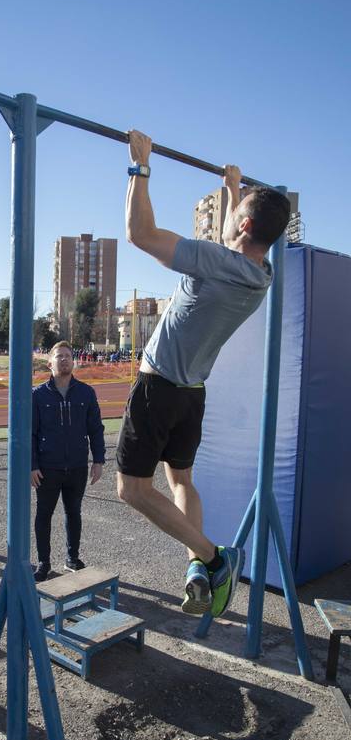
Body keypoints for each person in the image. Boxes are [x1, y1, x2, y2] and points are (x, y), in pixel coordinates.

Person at [117, 130, 291, 618]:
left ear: (244, 225)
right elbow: (230, 244)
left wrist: (141, 166)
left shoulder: (218, 263)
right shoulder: (260, 277)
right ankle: (196, 566)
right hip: (192, 393)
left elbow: (140, 235)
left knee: (130, 489)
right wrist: (232, 192)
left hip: (158, 388)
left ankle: (215, 558)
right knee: (181, 482)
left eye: (234, 215)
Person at [31, 340, 105, 582]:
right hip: (48, 467)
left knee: (74, 512)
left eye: (67, 356)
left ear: (73, 361)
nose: (64, 360)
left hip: (76, 466)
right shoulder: (38, 395)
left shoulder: (86, 392)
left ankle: (72, 558)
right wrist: (32, 465)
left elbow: (95, 429)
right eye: (59, 356)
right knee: (44, 514)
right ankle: (44, 562)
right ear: (50, 362)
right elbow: (31, 433)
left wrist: (98, 460)